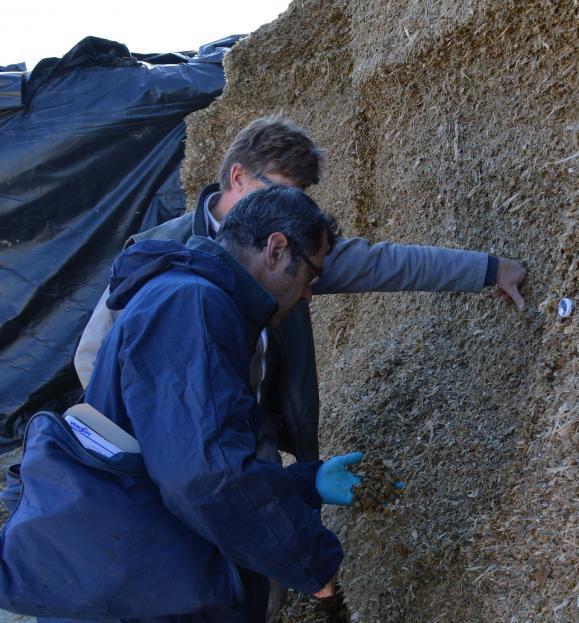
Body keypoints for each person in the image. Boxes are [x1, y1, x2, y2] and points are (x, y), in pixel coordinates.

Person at [73, 115, 527, 619]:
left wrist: (489, 269)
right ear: (240, 179)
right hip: (173, 457)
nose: (298, 208)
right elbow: (192, 464)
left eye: (304, 196)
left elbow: (384, 263)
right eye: (286, 192)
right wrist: (153, 444)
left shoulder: (285, 250)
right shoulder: (177, 271)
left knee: (250, 577)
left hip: (240, 440)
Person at [63, 186, 359, 623]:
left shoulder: (188, 295)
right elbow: (205, 477)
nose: (309, 295)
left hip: (141, 573)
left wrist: (304, 482)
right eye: (310, 276)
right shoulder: (194, 307)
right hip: (141, 594)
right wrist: (309, 561)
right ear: (275, 250)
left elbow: (188, 454)